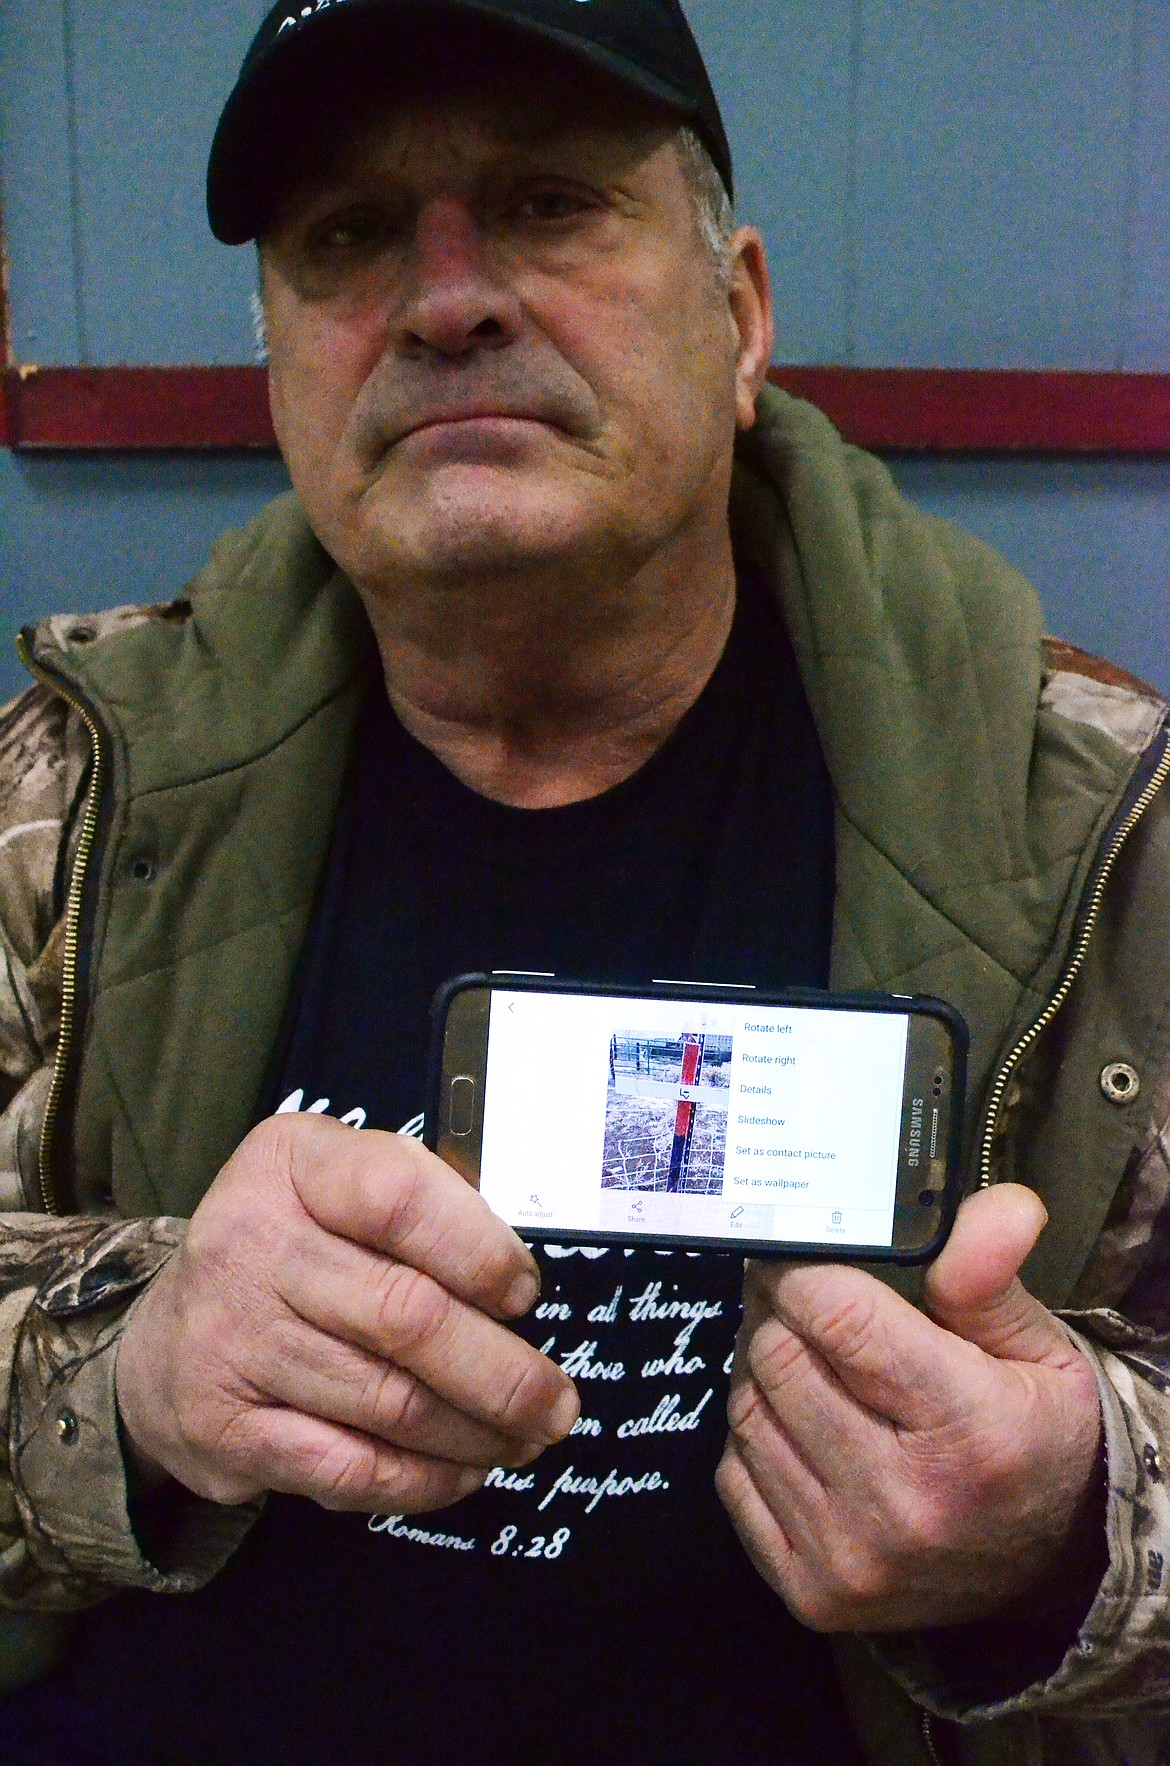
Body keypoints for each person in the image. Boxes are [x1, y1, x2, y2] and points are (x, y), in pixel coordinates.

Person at [0, 1, 1167, 1761]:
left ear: (740, 314)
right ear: (278, 368)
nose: (446, 298)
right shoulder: (59, 797)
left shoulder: (1114, 823)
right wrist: (129, 1366)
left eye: (548, 203)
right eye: (346, 237)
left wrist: (1079, 1510)